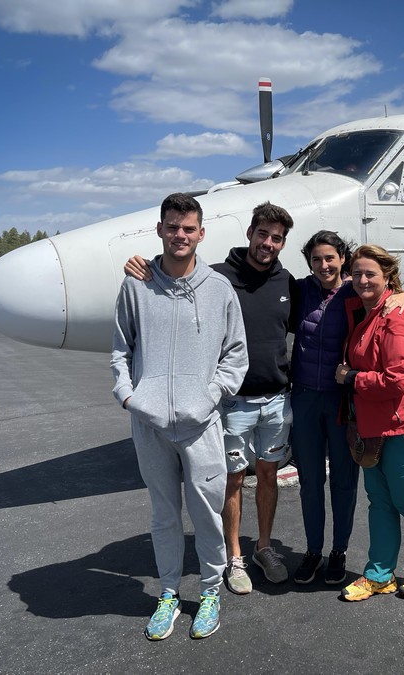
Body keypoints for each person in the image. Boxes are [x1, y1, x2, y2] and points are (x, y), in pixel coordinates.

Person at [125, 201, 298, 594]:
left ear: (282, 243)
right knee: (232, 480)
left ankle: (265, 547)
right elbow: (175, 274)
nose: (267, 243)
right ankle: (235, 556)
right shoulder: (218, 276)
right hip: (233, 404)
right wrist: (138, 265)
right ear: (250, 233)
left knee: (268, 475)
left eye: (276, 238)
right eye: (262, 234)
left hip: (274, 399)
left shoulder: (288, 283)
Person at [110, 193, 248, 640]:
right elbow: (120, 348)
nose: (180, 235)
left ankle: (210, 591)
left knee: (207, 515)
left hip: (200, 424)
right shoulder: (137, 284)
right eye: (172, 227)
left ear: (201, 233)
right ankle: (168, 593)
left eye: (188, 228)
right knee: (164, 514)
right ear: (160, 230)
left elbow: (235, 357)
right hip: (149, 424)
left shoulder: (219, 290)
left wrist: (209, 397)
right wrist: (130, 396)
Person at [290, 231, 404, 585]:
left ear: (342, 260)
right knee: (310, 481)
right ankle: (313, 550)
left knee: (345, 482)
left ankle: (339, 551)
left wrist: (403, 295)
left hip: (341, 400)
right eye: (316, 259)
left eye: (330, 258)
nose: (324, 265)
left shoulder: (355, 290)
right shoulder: (300, 291)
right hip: (304, 398)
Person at [334, 244, 404, 601]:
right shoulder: (365, 311)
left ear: (387, 278)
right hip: (374, 425)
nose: (363, 280)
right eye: (357, 273)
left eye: (371, 274)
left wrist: (352, 378)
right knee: (381, 503)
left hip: (402, 425)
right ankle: (379, 574)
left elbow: (398, 379)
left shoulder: (396, 318)